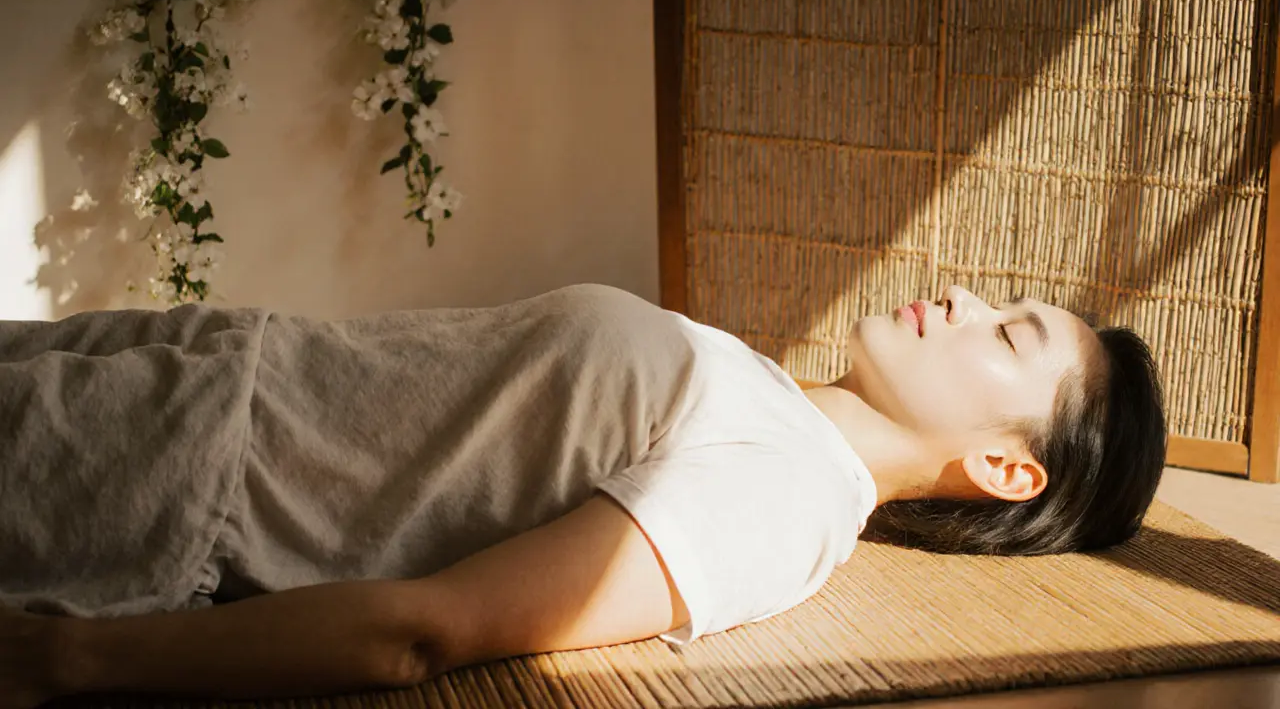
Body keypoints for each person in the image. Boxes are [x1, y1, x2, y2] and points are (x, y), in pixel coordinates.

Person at [0, 282, 1166, 708]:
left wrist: (66, 666)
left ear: (1010, 471)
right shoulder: (768, 395)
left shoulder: (784, 500)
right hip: (199, 359)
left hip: (173, 477)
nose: (957, 293)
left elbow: (425, 631)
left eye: (1003, 332)